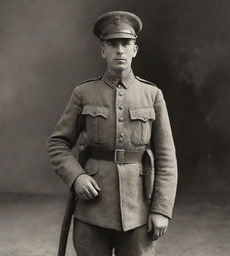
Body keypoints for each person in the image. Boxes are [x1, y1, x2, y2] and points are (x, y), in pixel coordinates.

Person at [47, 11, 177, 256]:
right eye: (112, 44)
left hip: (138, 210)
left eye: (125, 43)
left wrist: (161, 209)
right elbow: (58, 143)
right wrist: (76, 178)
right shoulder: (84, 93)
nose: (119, 50)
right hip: (92, 211)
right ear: (103, 51)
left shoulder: (152, 95)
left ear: (134, 50)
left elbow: (166, 157)